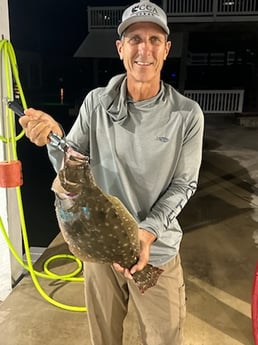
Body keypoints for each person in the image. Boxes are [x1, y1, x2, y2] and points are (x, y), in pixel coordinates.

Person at [19, 1, 204, 344]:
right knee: (103, 338)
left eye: (153, 39)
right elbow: (70, 166)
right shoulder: (96, 103)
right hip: (99, 250)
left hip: (157, 251)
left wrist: (146, 234)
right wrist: (52, 136)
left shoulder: (187, 115)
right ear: (120, 49)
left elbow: (184, 184)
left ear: (166, 49)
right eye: (134, 39)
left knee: (164, 338)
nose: (143, 49)